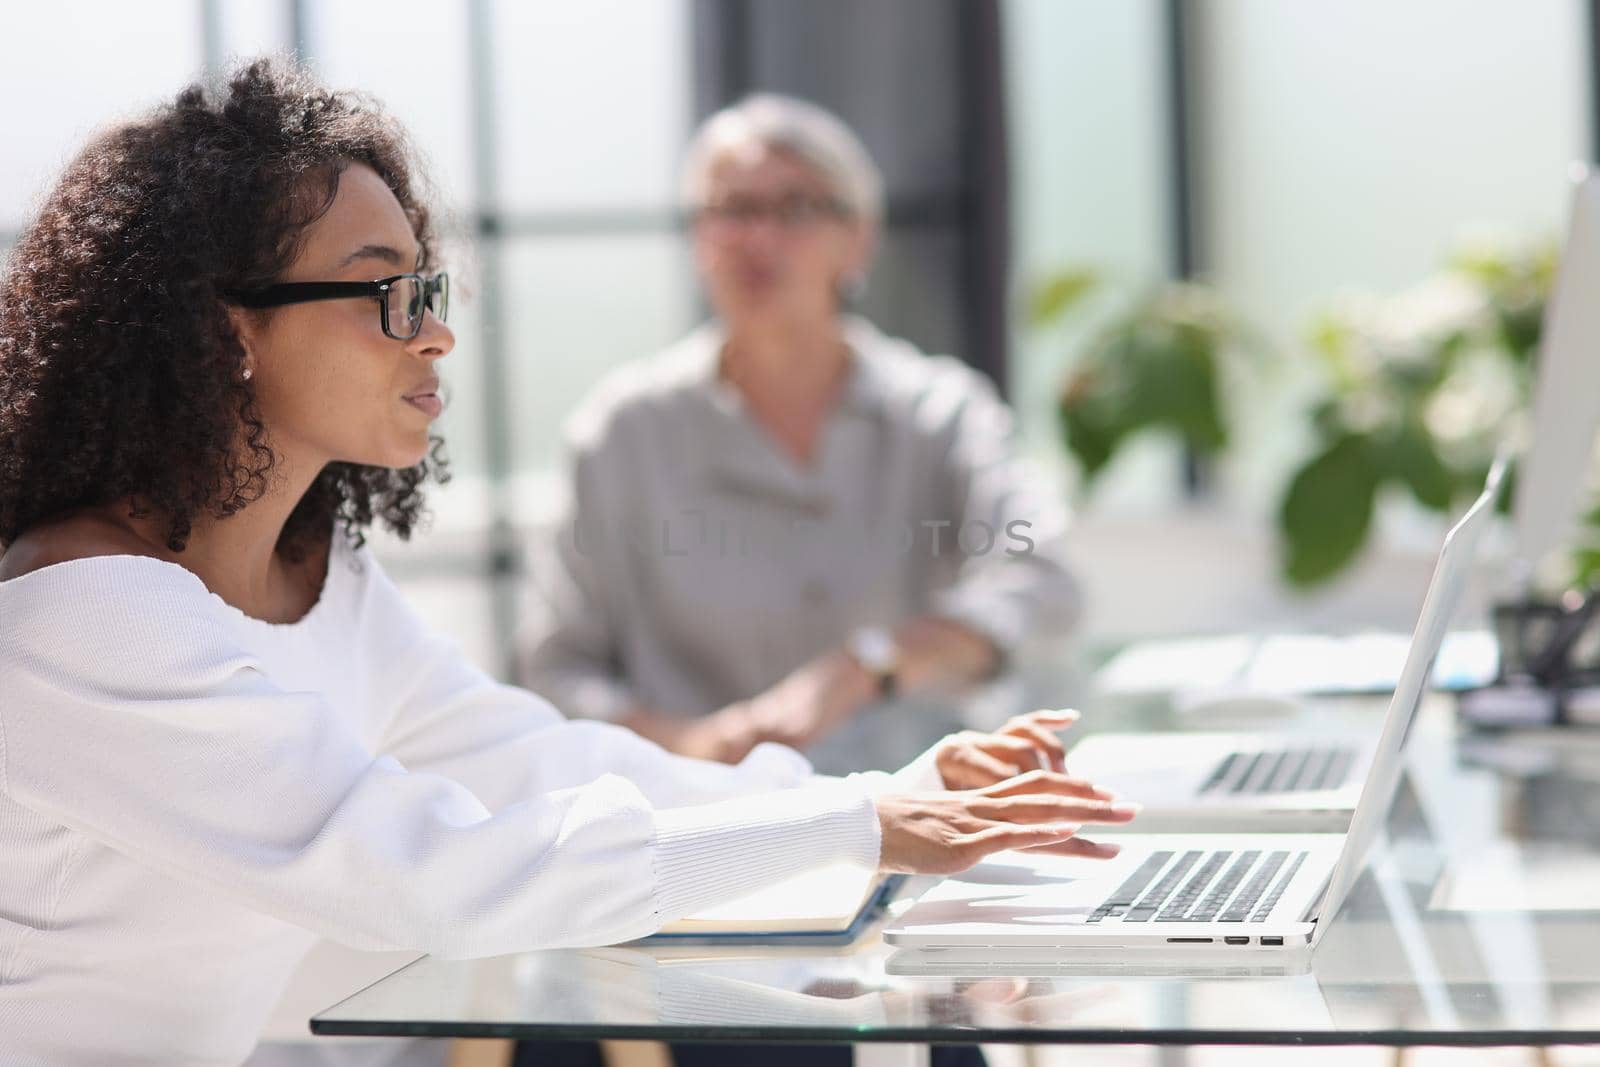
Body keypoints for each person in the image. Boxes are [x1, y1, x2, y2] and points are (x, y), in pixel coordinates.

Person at [0, 61, 1138, 1067]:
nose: (434, 331)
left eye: (429, 287)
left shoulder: (320, 574)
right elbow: (425, 868)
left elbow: (535, 758)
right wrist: (857, 826)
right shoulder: (92, 617)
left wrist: (877, 801)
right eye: (382, 289)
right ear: (227, 330)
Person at [517, 94, 1081, 776]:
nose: (759, 238)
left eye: (797, 208)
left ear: (859, 239)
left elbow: (1044, 577)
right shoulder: (620, 433)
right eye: (732, 210)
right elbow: (555, 671)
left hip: (922, 806)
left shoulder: (941, 412)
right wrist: (694, 743)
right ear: (699, 240)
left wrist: (870, 665)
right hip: (705, 823)